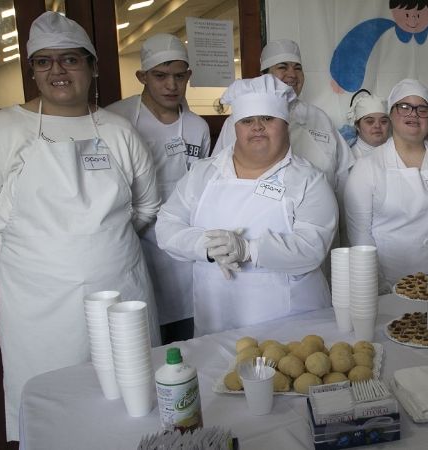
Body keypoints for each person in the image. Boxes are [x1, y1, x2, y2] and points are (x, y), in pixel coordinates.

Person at [0, 12, 160, 441]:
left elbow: (147, 206)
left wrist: (101, 244)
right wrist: (36, 249)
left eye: (70, 60)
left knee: (129, 401)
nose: (57, 71)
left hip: (122, 291)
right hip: (38, 306)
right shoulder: (5, 129)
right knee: (52, 405)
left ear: (93, 66)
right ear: (33, 71)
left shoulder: (118, 132)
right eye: (44, 62)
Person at [156, 75, 337, 336]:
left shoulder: (309, 180)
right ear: (235, 127)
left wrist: (249, 249)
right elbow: (166, 226)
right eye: (247, 120)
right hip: (217, 320)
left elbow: (312, 247)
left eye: (268, 118)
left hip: (292, 324)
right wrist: (206, 246)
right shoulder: (203, 174)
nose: (257, 127)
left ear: (285, 125)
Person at [107, 34, 210, 344]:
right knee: (143, 334)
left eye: (179, 76)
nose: (171, 85)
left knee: (188, 336)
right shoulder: (116, 120)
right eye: (160, 76)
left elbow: (204, 188)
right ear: (142, 77)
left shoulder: (197, 126)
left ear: (188, 77)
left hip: (183, 248)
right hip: (136, 243)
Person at [344, 79, 428, 292]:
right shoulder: (367, 167)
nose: (413, 114)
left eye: (422, 109)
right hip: (387, 285)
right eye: (404, 107)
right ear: (391, 115)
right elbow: (360, 233)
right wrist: (381, 284)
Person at [213, 39, 353, 202]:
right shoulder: (240, 122)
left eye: (298, 68)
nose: (292, 74)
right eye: (282, 67)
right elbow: (219, 175)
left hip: (319, 211)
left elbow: (343, 175)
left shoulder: (319, 117)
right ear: (264, 76)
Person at [345, 93, 390, 159]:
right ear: (357, 126)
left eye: (383, 121)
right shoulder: (350, 159)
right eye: (370, 121)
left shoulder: (399, 152)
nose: (377, 126)